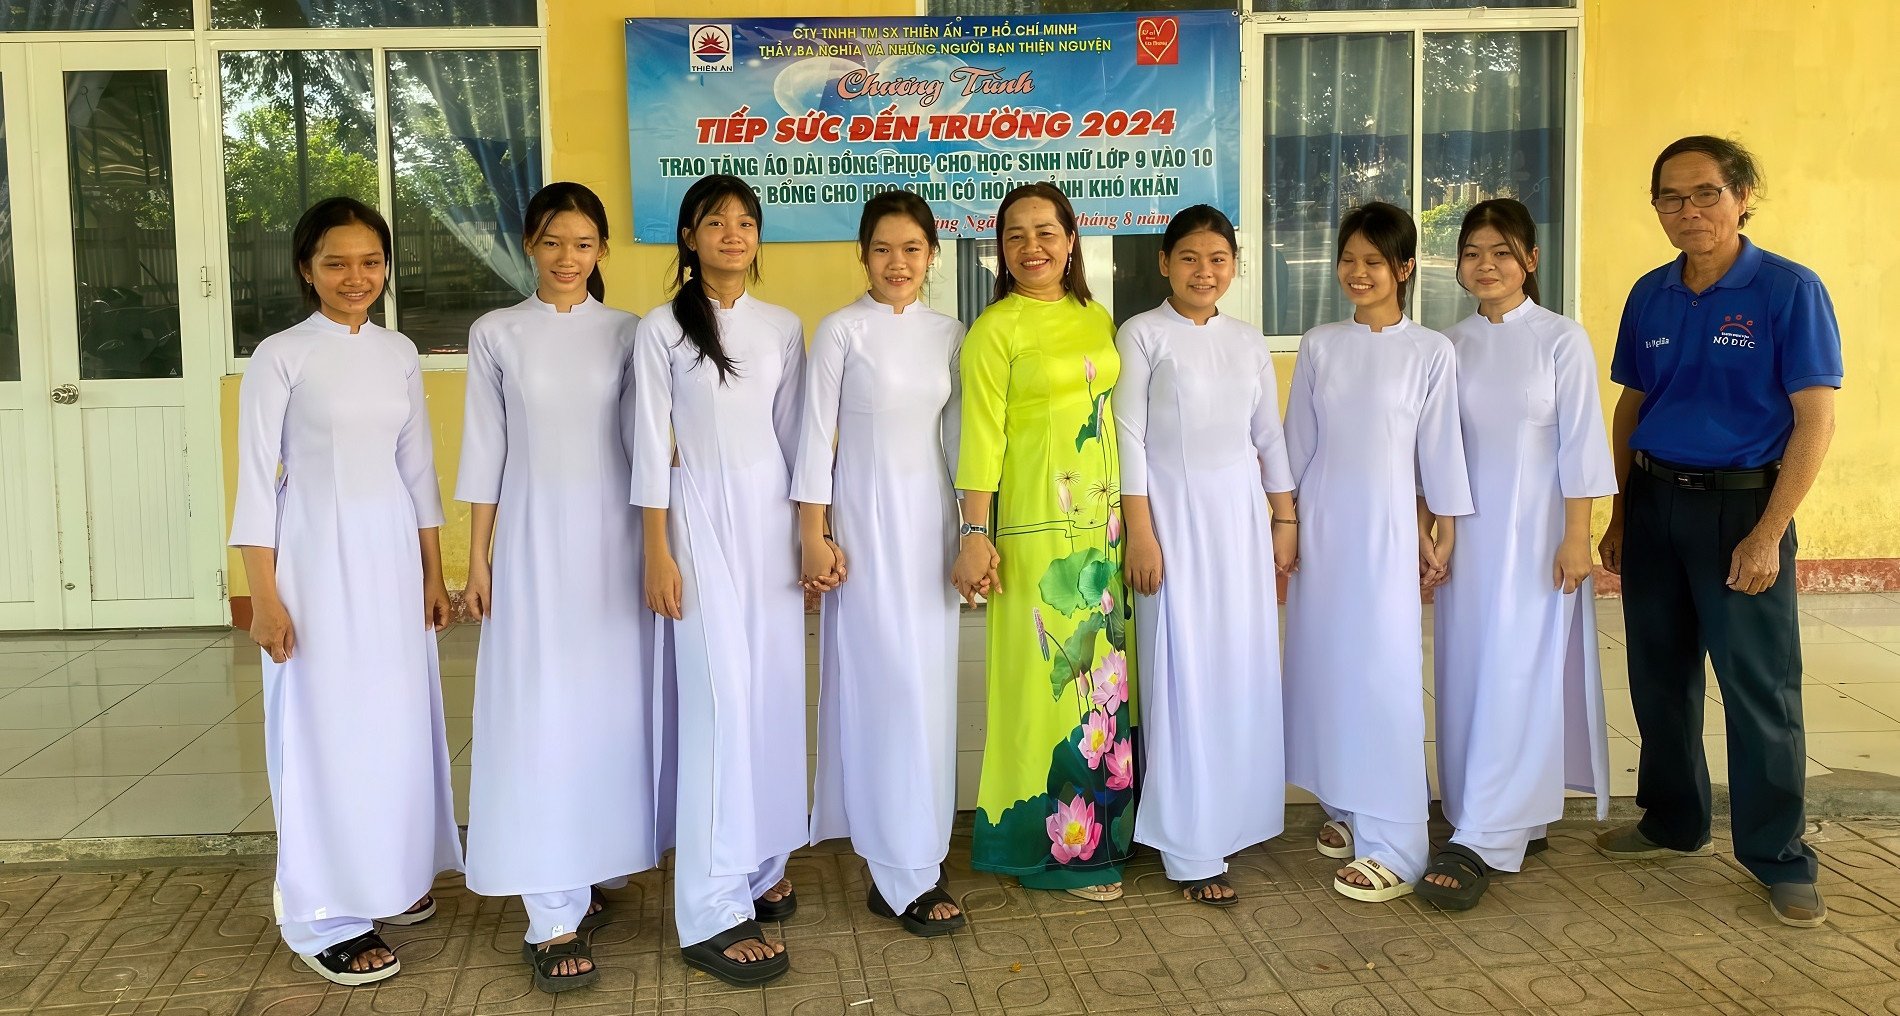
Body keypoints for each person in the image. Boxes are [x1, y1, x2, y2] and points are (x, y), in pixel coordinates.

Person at [1595, 136, 1842, 928]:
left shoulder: (1787, 290)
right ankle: (1674, 821)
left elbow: (1815, 420)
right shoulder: (1652, 293)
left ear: (1742, 196)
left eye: (1704, 194)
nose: (1687, 211)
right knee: (1659, 677)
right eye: (1670, 197)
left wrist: (1770, 531)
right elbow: (1633, 408)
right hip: (1657, 502)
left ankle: (1778, 856)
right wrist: (1622, 512)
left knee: (1759, 689)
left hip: (1745, 511)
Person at [230, 197, 461, 985]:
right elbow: (257, 486)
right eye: (336, 262)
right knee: (325, 727)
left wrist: (434, 574)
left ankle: (389, 874)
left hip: (391, 555)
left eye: (370, 261)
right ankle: (323, 910)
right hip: (312, 559)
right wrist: (263, 597)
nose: (356, 277)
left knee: (393, 721)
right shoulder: (281, 356)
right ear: (306, 269)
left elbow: (418, 470)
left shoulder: (398, 352)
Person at [457, 182, 665, 991]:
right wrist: (478, 558)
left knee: (607, 711)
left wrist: (662, 550)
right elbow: (484, 454)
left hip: (615, 547)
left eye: (582, 244)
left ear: (603, 251)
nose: (567, 258)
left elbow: (649, 448)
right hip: (535, 548)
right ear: (528, 247)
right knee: (540, 712)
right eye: (551, 242)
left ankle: (595, 865)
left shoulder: (630, 333)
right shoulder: (497, 334)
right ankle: (550, 912)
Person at [630, 174, 807, 984]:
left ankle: (761, 865)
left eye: (745, 222)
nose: (732, 233)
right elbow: (648, 449)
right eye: (715, 222)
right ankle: (709, 909)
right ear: (689, 236)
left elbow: (799, 442)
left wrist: (815, 536)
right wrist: (656, 549)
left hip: (770, 529)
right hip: (697, 528)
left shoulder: (782, 328)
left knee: (769, 700)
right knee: (718, 706)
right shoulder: (662, 330)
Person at [1420, 198, 1616, 910]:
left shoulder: (1560, 340)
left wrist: (1576, 535)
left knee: (1518, 671)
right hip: (1468, 536)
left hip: (1536, 537)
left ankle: (1488, 838)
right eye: (1472, 251)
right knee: (1468, 671)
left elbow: (1582, 444)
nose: (1486, 265)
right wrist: (1434, 526)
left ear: (1531, 260)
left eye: (1502, 251)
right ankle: (1502, 810)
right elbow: (1435, 448)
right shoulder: (1448, 344)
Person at [1282, 201, 1473, 903]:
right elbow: (1297, 444)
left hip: (1388, 530)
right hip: (1324, 527)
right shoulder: (1320, 343)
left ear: (1405, 268)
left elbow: (1438, 449)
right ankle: (1349, 805)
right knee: (1328, 664)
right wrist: (1285, 522)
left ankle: (1397, 841)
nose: (1358, 274)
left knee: (1385, 672)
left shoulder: (1430, 351)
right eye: (1349, 260)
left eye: (1375, 262)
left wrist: (1442, 526)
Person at [952, 182, 1136, 902]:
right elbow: (981, 439)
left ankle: (1107, 836)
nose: (1033, 246)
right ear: (1001, 249)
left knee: (1102, 691)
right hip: (1032, 533)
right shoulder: (993, 329)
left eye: (1047, 232)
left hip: (1102, 535)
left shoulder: (1096, 318)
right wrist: (974, 533)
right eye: (1017, 234)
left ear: (1071, 241)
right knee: (1041, 692)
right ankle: (1049, 852)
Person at [793, 191, 966, 937]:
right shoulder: (839, 332)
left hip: (931, 529)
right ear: (863, 255)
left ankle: (918, 851)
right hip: (863, 531)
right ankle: (898, 869)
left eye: (912, 249)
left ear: (932, 254)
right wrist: (813, 532)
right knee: (886, 687)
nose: (899, 263)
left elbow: (962, 442)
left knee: (930, 694)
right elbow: (813, 440)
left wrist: (973, 533)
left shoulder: (952, 333)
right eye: (883, 249)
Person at [1114, 205, 1298, 907]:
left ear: (1235, 266)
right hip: (1171, 523)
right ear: (1164, 263)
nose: (1203, 271)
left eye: (1218, 258)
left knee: (1237, 666)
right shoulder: (1141, 335)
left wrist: (1284, 516)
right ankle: (1188, 844)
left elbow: (1268, 435)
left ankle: (1233, 818)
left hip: (1239, 521)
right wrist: (1141, 531)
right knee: (1179, 670)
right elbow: (1128, 436)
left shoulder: (1248, 341)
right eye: (1188, 257)